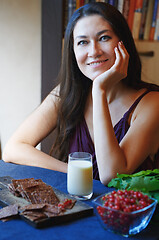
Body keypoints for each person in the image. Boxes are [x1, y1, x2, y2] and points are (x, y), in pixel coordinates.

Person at [3, 2, 159, 185]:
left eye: (104, 38)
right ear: (73, 51)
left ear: (123, 42)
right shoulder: (67, 94)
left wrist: (99, 89)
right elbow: (13, 148)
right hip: (77, 208)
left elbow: (111, 175)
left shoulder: (152, 102)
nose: (94, 51)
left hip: (127, 212)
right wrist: (75, 172)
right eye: (83, 42)